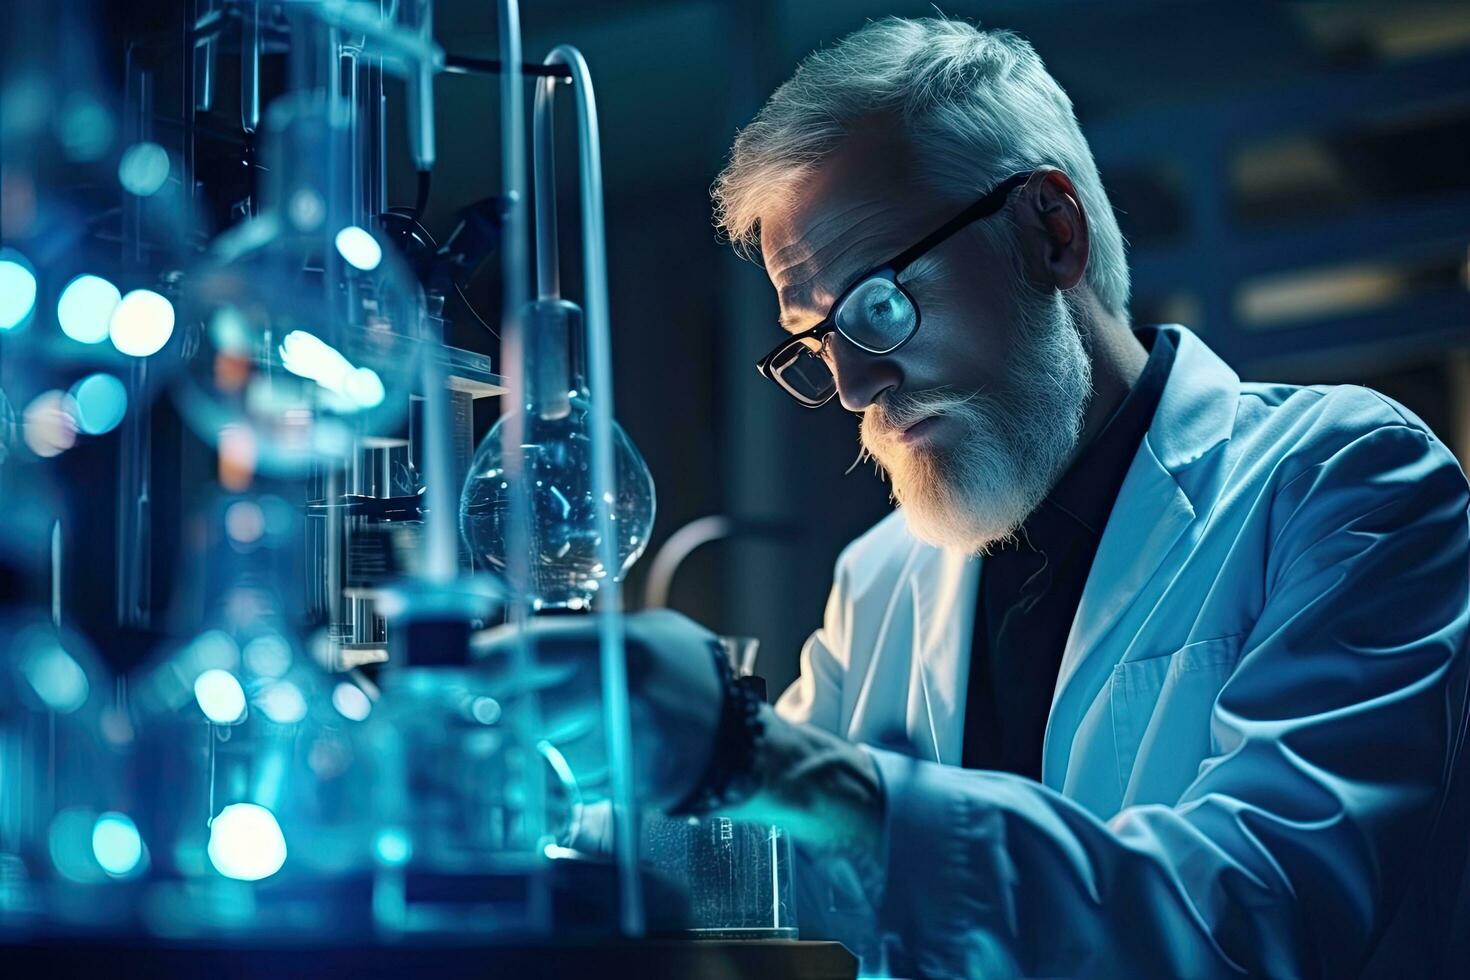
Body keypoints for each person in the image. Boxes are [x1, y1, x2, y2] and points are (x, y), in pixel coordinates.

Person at [478, 17, 1470, 977]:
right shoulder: (884, 573)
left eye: (878, 304)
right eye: (816, 340)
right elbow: (776, 858)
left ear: (1051, 231)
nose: (857, 385)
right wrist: (529, 802)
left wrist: (763, 756)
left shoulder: (1344, 480)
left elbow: (1255, 917)